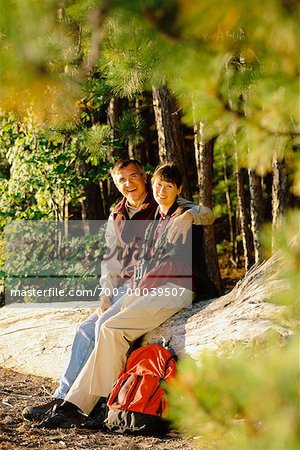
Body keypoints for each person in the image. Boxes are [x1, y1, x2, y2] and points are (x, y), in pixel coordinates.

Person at [23, 159, 215, 422]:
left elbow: (207, 213)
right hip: (137, 284)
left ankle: (89, 405)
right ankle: (66, 398)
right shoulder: (119, 215)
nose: (129, 183)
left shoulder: (173, 207)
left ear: (144, 177)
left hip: (165, 286)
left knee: (108, 327)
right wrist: (105, 294)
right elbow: (111, 261)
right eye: (121, 179)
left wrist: (190, 216)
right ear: (115, 184)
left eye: (134, 176)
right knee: (89, 328)